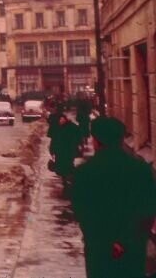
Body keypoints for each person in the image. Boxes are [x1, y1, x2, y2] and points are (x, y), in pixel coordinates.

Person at [72, 117, 156, 278]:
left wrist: (107, 242)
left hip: (99, 250)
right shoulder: (141, 170)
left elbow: (82, 212)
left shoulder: (84, 172)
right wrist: (124, 241)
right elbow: (148, 210)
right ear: (121, 139)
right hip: (133, 249)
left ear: (96, 141)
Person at [49, 113, 82, 181]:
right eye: (60, 120)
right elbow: (54, 140)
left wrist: (77, 143)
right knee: (62, 166)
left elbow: (78, 133)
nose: (61, 121)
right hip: (60, 151)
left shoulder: (71, 126)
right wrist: (52, 151)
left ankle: (68, 178)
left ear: (65, 119)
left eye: (62, 119)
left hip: (68, 150)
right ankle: (65, 179)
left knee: (68, 165)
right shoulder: (57, 128)